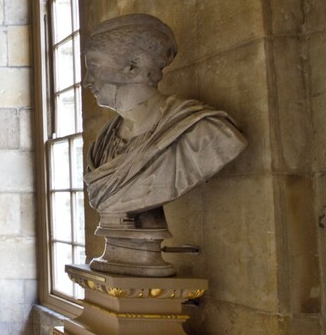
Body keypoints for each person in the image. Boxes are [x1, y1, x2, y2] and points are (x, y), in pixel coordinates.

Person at [82, 14, 247, 215]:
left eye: (94, 67)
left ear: (134, 67)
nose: (87, 81)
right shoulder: (103, 143)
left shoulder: (203, 134)